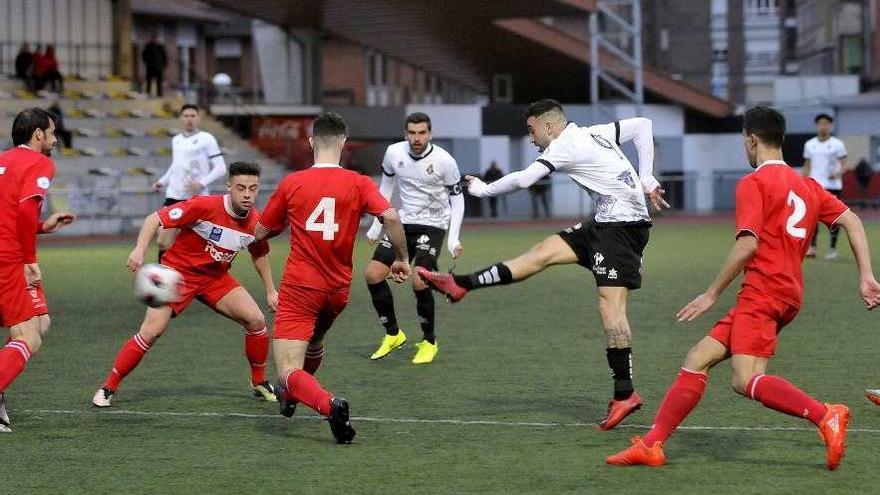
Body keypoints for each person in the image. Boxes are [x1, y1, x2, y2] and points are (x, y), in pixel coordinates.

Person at [606, 106, 880, 470]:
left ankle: (826, 414)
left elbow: (747, 244)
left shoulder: (753, 183)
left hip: (764, 292)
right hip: (787, 293)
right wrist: (866, 275)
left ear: (751, 140)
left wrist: (711, 293)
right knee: (698, 357)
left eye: (743, 142)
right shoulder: (807, 185)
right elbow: (853, 221)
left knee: (745, 379)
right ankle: (653, 444)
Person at [419, 99, 669, 430]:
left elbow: (524, 180)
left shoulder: (565, 145)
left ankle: (625, 394)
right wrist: (646, 177)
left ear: (548, 126)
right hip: (604, 223)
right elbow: (643, 126)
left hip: (622, 229)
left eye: (531, 130)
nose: (531, 138)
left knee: (611, 310)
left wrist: (482, 189)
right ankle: (461, 284)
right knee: (541, 253)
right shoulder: (593, 132)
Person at [255, 111, 410, 444]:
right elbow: (392, 216)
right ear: (343, 142)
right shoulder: (358, 182)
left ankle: (328, 405)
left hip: (301, 287)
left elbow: (262, 231)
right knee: (314, 342)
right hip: (337, 290)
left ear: (311, 142)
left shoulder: (293, 182)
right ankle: (294, 397)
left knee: (286, 371)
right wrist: (400, 258)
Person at [91, 161, 279, 408]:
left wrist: (270, 289)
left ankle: (258, 382)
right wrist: (139, 250)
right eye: (240, 187)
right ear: (228, 186)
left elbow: (259, 254)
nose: (246, 194)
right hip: (176, 275)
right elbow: (154, 219)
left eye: (252, 189)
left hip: (215, 278)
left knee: (256, 321)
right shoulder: (203, 205)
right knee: (152, 331)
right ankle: (108, 387)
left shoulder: (256, 222)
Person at [364, 112, 464, 364]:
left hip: (434, 225)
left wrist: (453, 238)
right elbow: (386, 186)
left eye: (422, 133)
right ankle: (393, 334)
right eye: (412, 133)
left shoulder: (445, 160)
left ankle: (429, 341)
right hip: (404, 222)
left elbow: (457, 199)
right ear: (405, 133)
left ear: (430, 134)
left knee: (419, 281)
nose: (417, 138)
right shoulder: (393, 153)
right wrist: (377, 223)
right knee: (373, 274)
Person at [0, 108, 76, 432]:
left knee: (40, 322)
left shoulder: (2, 160)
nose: (55, 140)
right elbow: (25, 207)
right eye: (52, 132)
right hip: (10, 258)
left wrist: (42, 227)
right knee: (29, 336)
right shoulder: (39, 163)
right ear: (37, 135)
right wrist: (30, 260)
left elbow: (11, 215)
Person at [152, 104, 227, 262]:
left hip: (197, 198)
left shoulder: (207, 139)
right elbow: (176, 165)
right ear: (181, 119)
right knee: (162, 241)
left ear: (198, 118)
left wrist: (201, 182)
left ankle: (196, 277)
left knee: (201, 244)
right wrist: (162, 181)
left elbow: (221, 168)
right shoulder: (176, 140)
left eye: (193, 116)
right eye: (186, 116)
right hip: (174, 196)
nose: (189, 119)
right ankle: (165, 279)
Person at [803, 113, 848, 259]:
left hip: (833, 186)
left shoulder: (837, 144)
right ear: (817, 125)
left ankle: (832, 249)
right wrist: (803, 182)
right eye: (821, 123)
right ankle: (812, 248)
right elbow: (807, 165)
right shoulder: (809, 145)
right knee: (812, 218)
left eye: (826, 123)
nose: (823, 126)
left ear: (830, 126)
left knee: (834, 218)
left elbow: (844, 163)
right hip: (815, 186)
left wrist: (838, 173)